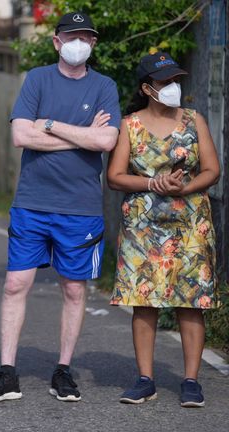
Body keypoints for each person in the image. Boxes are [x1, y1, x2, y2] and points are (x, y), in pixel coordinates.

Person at [0, 12, 120, 403]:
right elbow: (21, 134)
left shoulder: (105, 85)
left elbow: (106, 142)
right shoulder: (37, 78)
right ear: (57, 42)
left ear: (93, 44)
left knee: (74, 289)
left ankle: (64, 370)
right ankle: (7, 372)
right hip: (33, 204)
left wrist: (50, 124)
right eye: (72, 36)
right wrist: (83, 136)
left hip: (81, 207)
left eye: (87, 37)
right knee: (15, 283)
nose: (79, 43)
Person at [107, 52, 219, 408]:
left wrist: (184, 188)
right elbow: (115, 176)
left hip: (190, 223)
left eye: (175, 79)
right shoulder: (130, 125)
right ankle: (145, 379)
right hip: (143, 225)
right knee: (144, 303)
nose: (172, 86)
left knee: (191, 304)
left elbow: (212, 169)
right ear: (147, 88)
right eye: (164, 81)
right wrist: (153, 183)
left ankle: (191, 381)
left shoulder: (194, 119)